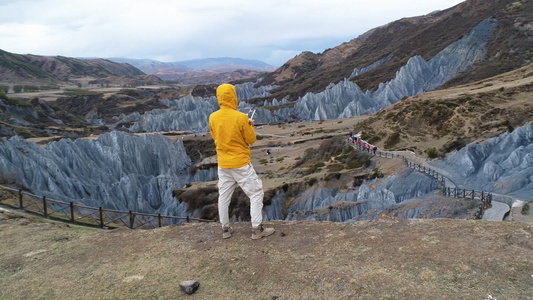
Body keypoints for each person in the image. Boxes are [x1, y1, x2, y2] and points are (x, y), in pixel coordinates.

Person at [209, 83, 275, 240]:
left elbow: (215, 136)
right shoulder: (241, 118)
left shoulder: (213, 117)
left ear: (219, 98)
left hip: (223, 164)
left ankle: (225, 229)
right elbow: (251, 139)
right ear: (233, 97)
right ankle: (256, 230)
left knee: (223, 196)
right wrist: (249, 125)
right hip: (240, 163)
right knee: (256, 192)